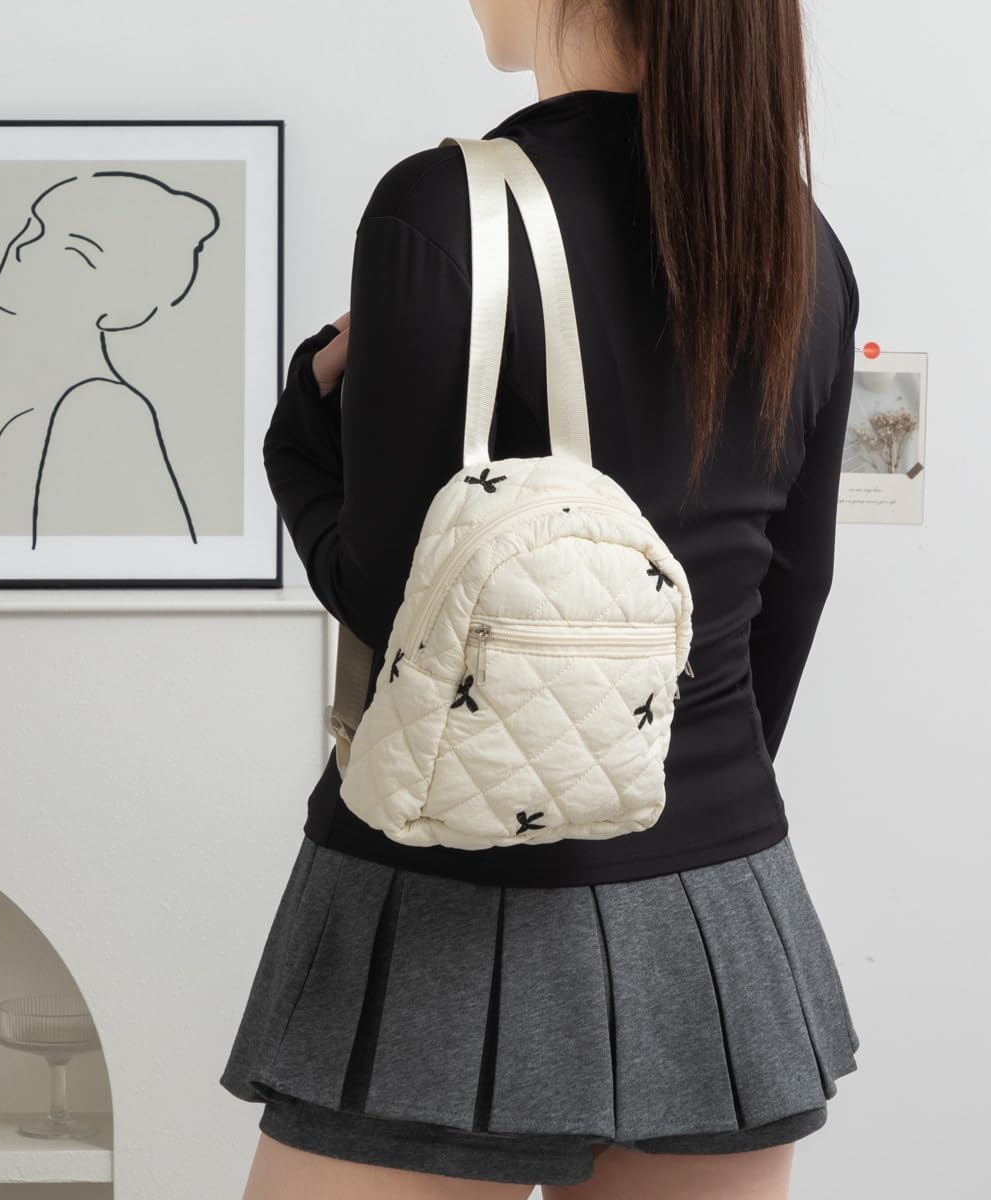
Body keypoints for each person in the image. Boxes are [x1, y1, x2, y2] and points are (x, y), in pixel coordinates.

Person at [221, 0, 862, 1196]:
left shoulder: (442, 209)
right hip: (721, 919)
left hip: (443, 905)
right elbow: (795, 591)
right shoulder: (795, 242)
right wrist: (649, 789)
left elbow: (388, 598)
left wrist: (303, 427)